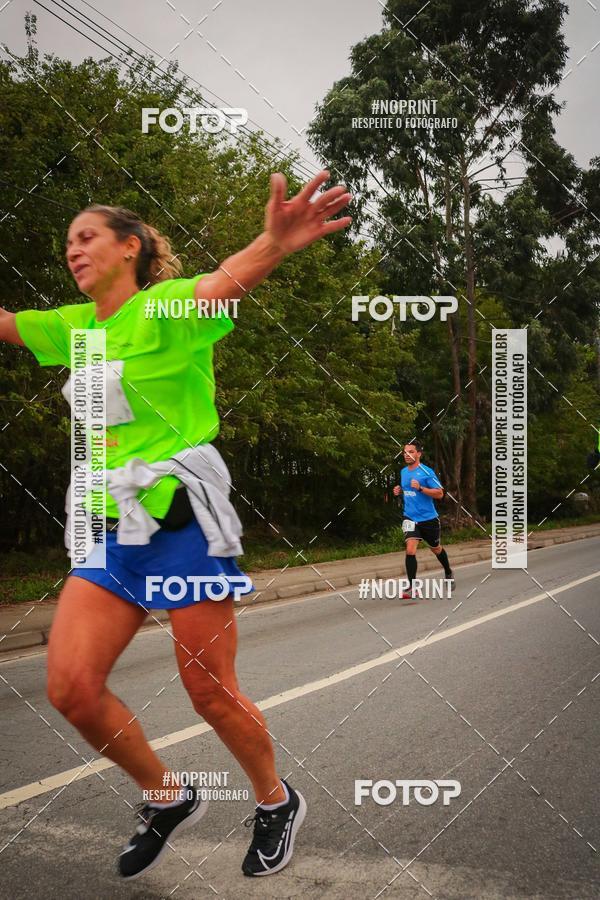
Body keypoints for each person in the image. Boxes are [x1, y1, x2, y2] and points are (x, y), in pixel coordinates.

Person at [0, 170, 352, 880]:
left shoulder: (162, 307)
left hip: (184, 519)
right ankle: (166, 795)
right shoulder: (72, 327)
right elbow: (5, 324)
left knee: (208, 690)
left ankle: (275, 799)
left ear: (129, 246)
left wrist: (274, 243)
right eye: (68, 242)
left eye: (87, 236)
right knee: (71, 687)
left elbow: (221, 284)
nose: (73, 249)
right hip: (113, 528)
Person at [393, 441, 454, 599]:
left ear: (419, 454)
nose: (407, 455)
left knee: (436, 549)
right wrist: (399, 491)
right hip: (410, 517)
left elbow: (440, 493)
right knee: (410, 549)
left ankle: (448, 571)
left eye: (411, 452)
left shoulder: (427, 472)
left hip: (428, 519)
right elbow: (408, 491)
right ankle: (412, 587)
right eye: (405, 452)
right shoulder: (403, 472)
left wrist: (421, 488)